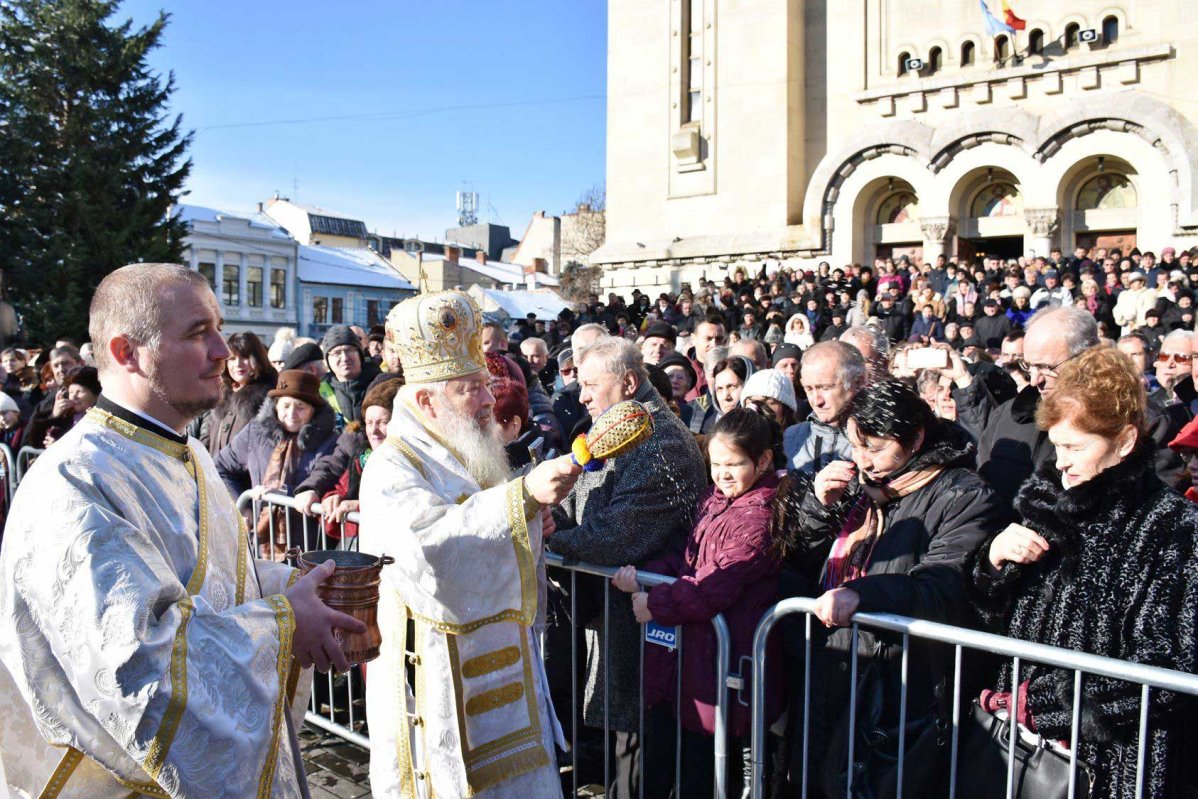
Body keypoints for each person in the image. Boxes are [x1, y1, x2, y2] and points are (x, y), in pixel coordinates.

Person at [0, 262, 364, 797]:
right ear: (128, 353)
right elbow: (136, 668)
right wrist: (286, 622)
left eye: (218, 327)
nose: (224, 350)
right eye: (199, 333)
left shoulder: (188, 451)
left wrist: (292, 585)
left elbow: (214, 581)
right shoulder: (74, 480)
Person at [359, 290, 584, 798]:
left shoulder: (467, 446)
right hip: (436, 674)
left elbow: (493, 526)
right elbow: (430, 552)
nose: (488, 400)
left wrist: (531, 521)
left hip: (502, 666)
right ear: (425, 401)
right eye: (471, 389)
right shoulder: (392, 467)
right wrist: (522, 497)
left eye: (485, 385)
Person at [969, 346, 1198, 799]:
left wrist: (1041, 705)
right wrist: (991, 563)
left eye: (1075, 447)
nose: (1061, 462)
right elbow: (993, 615)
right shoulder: (1045, 500)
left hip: (1111, 766)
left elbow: (1169, 665)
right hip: (1017, 751)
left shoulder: (1174, 528)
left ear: (1126, 441)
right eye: (1056, 446)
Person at [778, 379, 1003, 795]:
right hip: (832, 669)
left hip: (898, 691)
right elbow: (800, 563)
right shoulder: (861, 490)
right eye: (855, 446)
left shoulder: (963, 495)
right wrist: (817, 510)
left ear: (916, 438)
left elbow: (942, 583)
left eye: (876, 448)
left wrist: (865, 593)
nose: (863, 460)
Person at [547, 335, 707, 799]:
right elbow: (580, 509)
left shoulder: (658, 444)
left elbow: (617, 537)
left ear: (630, 382)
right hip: (617, 620)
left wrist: (549, 536)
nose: (582, 396)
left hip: (649, 631)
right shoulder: (617, 430)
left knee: (640, 756)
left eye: (592, 384)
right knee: (625, 751)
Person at [610, 408, 785, 797]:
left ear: (764, 460)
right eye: (716, 464)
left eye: (734, 464)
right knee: (680, 762)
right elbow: (690, 558)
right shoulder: (715, 499)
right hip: (694, 658)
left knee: (706, 774)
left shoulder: (759, 518)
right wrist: (645, 572)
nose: (722, 474)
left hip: (727, 663)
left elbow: (713, 587)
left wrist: (655, 601)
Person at [945, 306, 1099, 505]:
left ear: (1086, 359)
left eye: (1046, 367)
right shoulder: (1007, 414)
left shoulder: (1125, 424)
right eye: (1029, 366)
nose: (1035, 380)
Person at [215, 369, 338, 556]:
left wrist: (283, 494)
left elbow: (325, 475)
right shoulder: (255, 433)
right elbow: (221, 467)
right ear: (275, 406)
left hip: (308, 546)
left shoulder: (328, 440)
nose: (292, 413)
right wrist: (242, 505)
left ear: (313, 411)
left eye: (300, 407)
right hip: (258, 541)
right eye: (286, 405)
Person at [292, 377, 402, 540]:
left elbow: (407, 506)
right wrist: (331, 499)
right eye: (369, 422)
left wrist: (360, 507)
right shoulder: (361, 453)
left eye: (383, 422)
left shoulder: (414, 460)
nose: (373, 430)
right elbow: (334, 469)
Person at [785, 340, 865, 473]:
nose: (817, 401)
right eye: (809, 389)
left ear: (858, 381)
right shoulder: (791, 438)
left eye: (826, 388)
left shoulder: (880, 438)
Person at [195, 331, 278, 457]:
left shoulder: (269, 397)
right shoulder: (220, 394)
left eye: (244, 357)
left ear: (257, 359)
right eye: (232, 358)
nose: (238, 364)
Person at [319, 324, 381, 429]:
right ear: (327, 359)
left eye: (349, 350)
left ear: (359, 353)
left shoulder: (381, 385)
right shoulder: (320, 391)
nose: (344, 358)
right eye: (336, 353)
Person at [25, 365, 101, 448]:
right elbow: (35, 441)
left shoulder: (100, 420)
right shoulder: (67, 417)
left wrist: (60, 448)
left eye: (79, 392)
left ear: (95, 396)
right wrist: (54, 415)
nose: (74, 396)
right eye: (71, 392)